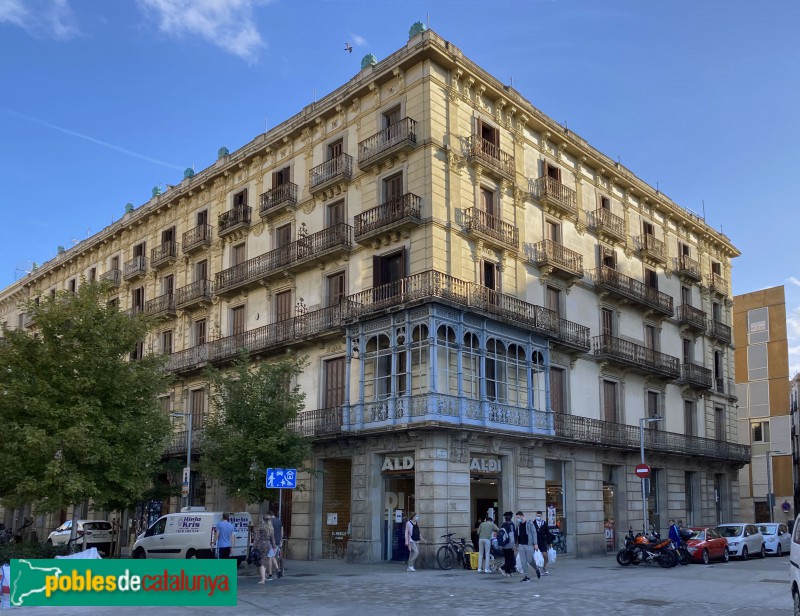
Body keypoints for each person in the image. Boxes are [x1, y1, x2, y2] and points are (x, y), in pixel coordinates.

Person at [515, 511, 541, 582]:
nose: (517, 519)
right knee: (523, 562)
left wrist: (535, 543)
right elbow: (517, 534)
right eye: (517, 518)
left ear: (522, 516)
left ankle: (536, 569)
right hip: (521, 545)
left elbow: (534, 533)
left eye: (518, 517)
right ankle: (527, 576)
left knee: (530, 560)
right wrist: (516, 545)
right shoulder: (519, 524)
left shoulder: (529, 523)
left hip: (529, 545)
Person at [255, 514, 279, 583]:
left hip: (261, 544)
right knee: (264, 560)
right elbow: (272, 538)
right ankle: (264, 576)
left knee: (260, 561)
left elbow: (257, 537)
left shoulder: (261, 527)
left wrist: (254, 546)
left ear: (263, 520)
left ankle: (263, 579)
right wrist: (274, 546)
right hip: (268, 545)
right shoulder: (271, 528)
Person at [532, 510, 551, 575]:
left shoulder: (544, 523)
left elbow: (547, 532)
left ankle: (544, 567)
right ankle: (538, 569)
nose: (538, 517)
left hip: (542, 541)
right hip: (536, 541)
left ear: (541, 516)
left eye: (539, 516)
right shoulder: (533, 523)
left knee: (545, 555)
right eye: (537, 516)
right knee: (537, 556)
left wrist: (549, 542)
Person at [499, 511, 516, 577]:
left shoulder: (503, 524)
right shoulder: (511, 524)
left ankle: (508, 572)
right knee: (511, 559)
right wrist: (513, 545)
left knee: (507, 559)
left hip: (504, 544)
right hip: (509, 545)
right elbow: (512, 535)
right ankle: (503, 568)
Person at [270, 510, 284, 578]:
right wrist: (281, 540)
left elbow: (270, 532)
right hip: (278, 542)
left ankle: (274, 571)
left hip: (271, 542)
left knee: (271, 556)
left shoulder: (270, 522)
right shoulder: (279, 521)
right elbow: (282, 531)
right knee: (275, 556)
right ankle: (278, 570)